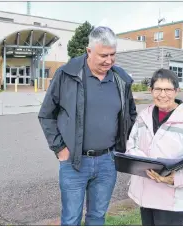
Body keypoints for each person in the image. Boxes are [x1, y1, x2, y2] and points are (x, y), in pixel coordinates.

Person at [38, 26, 137, 226]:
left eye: (112, 55)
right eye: (103, 55)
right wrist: (60, 149)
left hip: (107, 163)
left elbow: (130, 114)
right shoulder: (67, 75)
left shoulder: (120, 79)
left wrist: (122, 145)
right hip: (74, 162)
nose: (109, 60)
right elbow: (46, 115)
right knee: (71, 219)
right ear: (89, 51)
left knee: (97, 217)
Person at [125, 68, 183, 226]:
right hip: (146, 195)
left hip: (172, 200)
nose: (162, 94)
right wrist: (143, 164)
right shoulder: (143, 116)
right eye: (157, 89)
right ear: (150, 90)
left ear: (177, 91)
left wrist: (175, 179)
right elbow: (132, 145)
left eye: (168, 89)